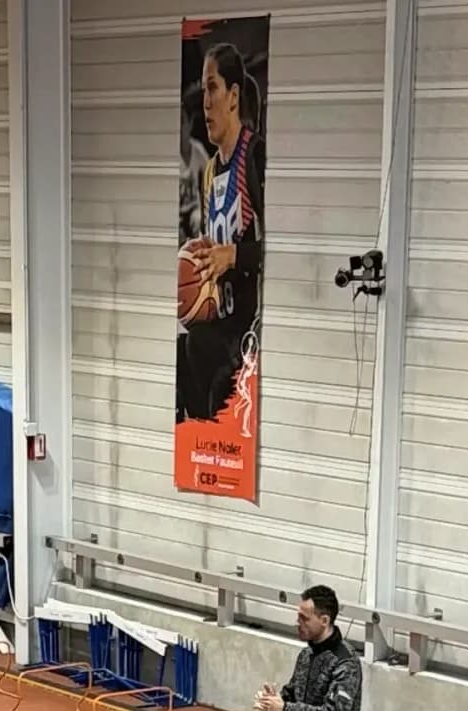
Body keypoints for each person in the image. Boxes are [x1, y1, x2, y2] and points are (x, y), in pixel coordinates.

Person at [176, 40, 265, 426]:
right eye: (203, 91)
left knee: (206, 361)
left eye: (212, 88)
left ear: (233, 96)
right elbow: (214, 241)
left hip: (248, 325)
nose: (206, 102)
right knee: (184, 350)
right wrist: (201, 255)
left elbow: (281, 248)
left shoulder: (254, 157)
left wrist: (234, 256)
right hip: (220, 316)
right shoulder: (210, 170)